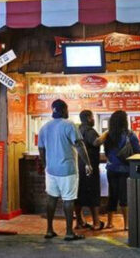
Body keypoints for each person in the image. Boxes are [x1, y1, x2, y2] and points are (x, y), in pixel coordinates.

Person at [38, 99, 93, 241]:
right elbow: (79, 145)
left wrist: (46, 165)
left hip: (51, 170)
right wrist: (88, 163)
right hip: (67, 169)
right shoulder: (69, 125)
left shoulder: (45, 127)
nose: (68, 112)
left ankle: (49, 230)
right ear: (63, 110)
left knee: (51, 199)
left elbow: (41, 149)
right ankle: (69, 232)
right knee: (68, 200)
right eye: (67, 109)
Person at [95, 110, 140, 230]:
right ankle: (126, 224)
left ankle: (110, 222)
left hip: (111, 169)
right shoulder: (130, 135)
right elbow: (138, 151)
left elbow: (104, 150)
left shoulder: (108, 135)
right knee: (124, 196)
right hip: (126, 169)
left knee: (113, 195)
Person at [74, 110, 103, 230]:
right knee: (93, 195)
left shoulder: (78, 130)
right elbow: (96, 142)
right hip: (89, 167)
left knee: (78, 195)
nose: (94, 119)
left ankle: (79, 222)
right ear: (87, 118)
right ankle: (96, 223)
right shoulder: (89, 131)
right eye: (92, 117)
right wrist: (107, 133)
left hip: (78, 167)